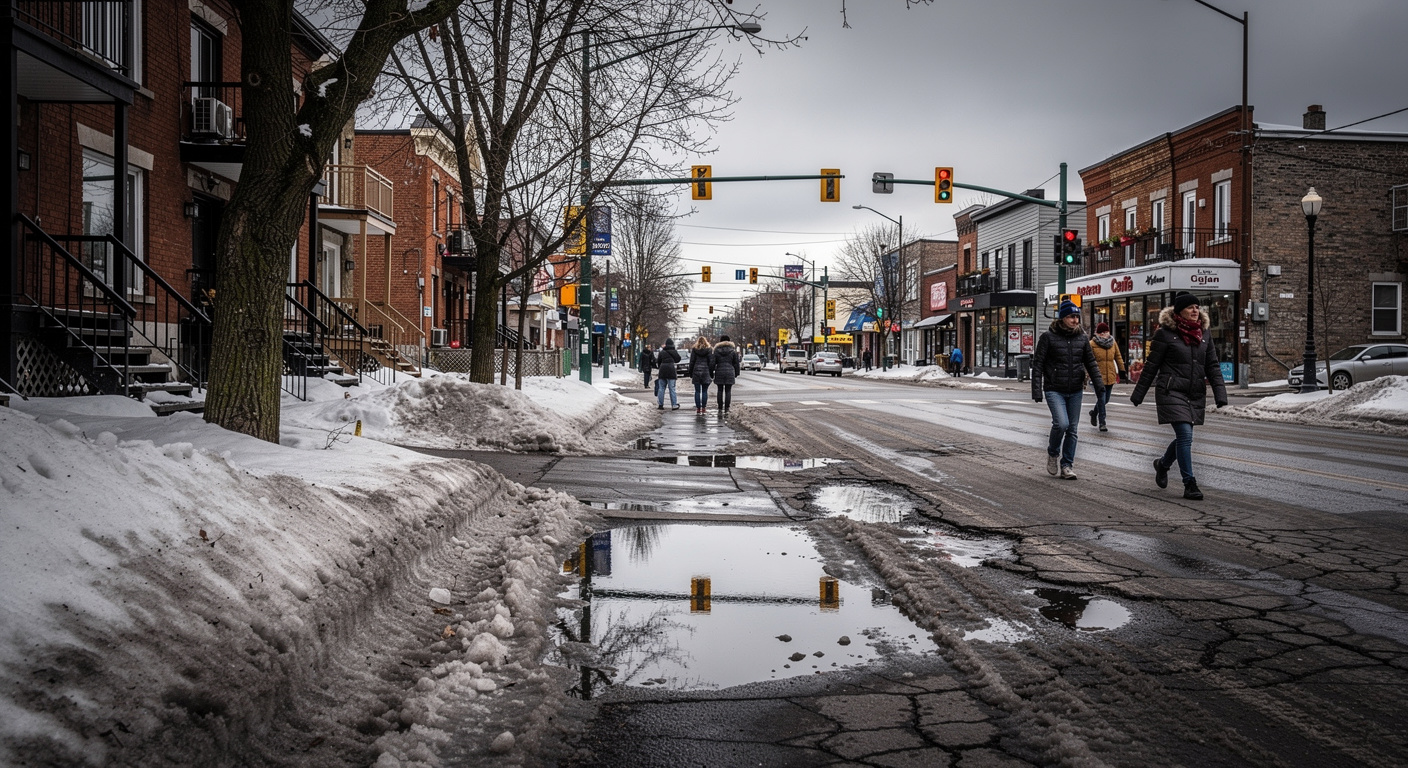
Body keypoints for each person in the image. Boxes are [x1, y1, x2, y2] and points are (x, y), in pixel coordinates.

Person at [1130, 292, 1228, 501]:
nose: (1195, 310)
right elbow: (1152, 366)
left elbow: (1212, 365)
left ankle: (1163, 464)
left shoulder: (1205, 333)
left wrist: (1220, 394)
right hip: (1171, 390)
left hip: (1194, 392)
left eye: (1197, 307)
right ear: (1179, 310)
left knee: (1186, 437)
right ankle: (1189, 483)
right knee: (1185, 435)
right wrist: (1139, 394)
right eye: (1191, 307)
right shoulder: (1165, 334)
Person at [1032, 299, 1103, 480]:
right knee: (1061, 424)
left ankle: (1067, 465)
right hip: (1054, 388)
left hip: (1075, 389)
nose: (1075, 321)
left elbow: (1091, 362)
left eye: (1077, 317)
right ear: (1062, 317)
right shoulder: (1048, 337)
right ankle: (1053, 453)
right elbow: (1038, 364)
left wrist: (1099, 385)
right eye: (1071, 317)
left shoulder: (1082, 337)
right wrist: (1037, 390)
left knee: (1072, 429)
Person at [1088, 322, 1125, 432]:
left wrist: (1122, 370)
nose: (1104, 334)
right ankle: (1102, 423)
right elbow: (1088, 360)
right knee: (1101, 398)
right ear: (1097, 334)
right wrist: (1087, 374)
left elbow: (1118, 356)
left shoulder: (1112, 343)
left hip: (1110, 375)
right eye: (1102, 332)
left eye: (1106, 332)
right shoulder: (1091, 344)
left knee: (1106, 399)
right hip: (1097, 376)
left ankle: (1094, 413)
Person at [711, 334, 741, 414]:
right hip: (729, 371)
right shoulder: (732, 350)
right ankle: (727, 407)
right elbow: (736, 363)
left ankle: (720, 406)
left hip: (719, 371)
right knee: (728, 390)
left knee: (719, 390)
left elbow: (713, 363)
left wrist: (711, 373)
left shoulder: (716, 350)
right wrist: (737, 373)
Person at [687, 336, 714, 415]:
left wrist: (690, 372)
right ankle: (704, 407)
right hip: (706, 371)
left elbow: (692, 361)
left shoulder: (694, 350)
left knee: (697, 391)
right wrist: (711, 372)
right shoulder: (709, 350)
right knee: (705, 391)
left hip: (696, 371)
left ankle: (698, 408)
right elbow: (711, 362)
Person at [655, 339, 681, 410]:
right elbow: (678, 359)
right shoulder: (674, 351)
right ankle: (674, 404)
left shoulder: (662, 352)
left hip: (662, 370)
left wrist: (660, 367)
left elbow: (658, 361)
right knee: (672, 388)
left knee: (661, 388)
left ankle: (660, 404)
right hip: (671, 369)